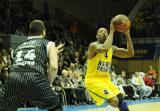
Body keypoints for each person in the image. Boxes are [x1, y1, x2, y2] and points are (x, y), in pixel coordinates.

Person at [0, 20, 64, 111]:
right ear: (44, 32)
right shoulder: (49, 44)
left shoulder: (18, 46)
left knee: (4, 107)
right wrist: (48, 83)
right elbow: (53, 67)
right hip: (35, 79)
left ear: (29, 32)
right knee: (56, 106)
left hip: (14, 79)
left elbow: (23, 60)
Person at [84, 18, 134, 111]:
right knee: (114, 101)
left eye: (105, 32)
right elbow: (104, 48)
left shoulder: (112, 48)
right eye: (101, 32)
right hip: (93, 81)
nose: (104, 33)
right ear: (96, 36)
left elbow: (130, 53)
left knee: (121, 101)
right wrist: (111, 31)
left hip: (106, 80)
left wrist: (127, 35)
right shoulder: (93, 46)